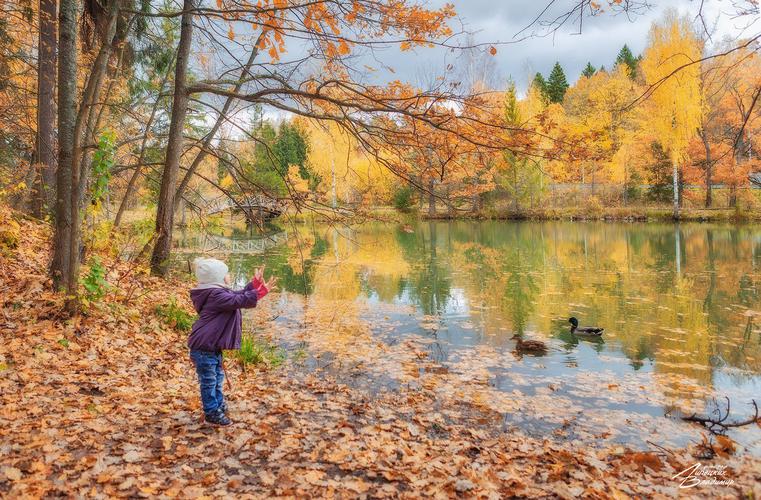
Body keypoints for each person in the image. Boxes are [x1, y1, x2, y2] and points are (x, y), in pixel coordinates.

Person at [188, 257, 277, 426]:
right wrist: (260, 292)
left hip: (209, 346)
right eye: (226, 273)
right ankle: (211, 412)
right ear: (218, 278)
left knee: (217, 377)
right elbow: (239, 300)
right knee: (209, 380)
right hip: (204, 347)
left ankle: (218, 405)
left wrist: (254, 285)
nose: (229, 275)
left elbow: (238, 295)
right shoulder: (217, 296)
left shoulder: (217, 293)